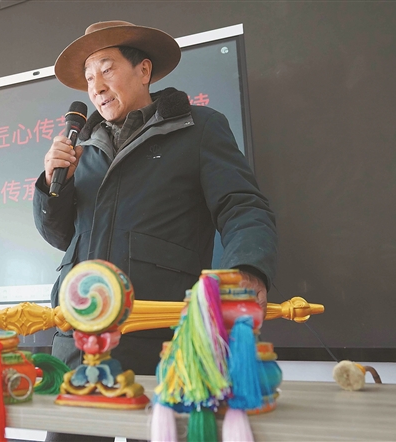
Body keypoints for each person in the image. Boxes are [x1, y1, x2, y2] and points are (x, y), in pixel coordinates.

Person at [32, 19, 277, 427]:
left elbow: (242, 206)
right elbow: (60, 236)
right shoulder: (80, 151)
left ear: (143, 70)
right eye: (89, 78)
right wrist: (52, 185)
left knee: (163, 433)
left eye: (107, 69)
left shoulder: (199, 128)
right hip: (78, 337)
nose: (96, 87)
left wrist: (249, 269)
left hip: (160, 331)